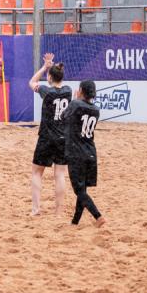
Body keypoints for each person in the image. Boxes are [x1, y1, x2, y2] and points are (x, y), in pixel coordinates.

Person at [28, 52, 71, 216]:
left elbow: (32, 82)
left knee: (36, 172)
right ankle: (58, 212)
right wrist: (51, 68)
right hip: (63, 138)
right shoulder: (68, 90)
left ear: (50, 77)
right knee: (60, 175)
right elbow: (58, 81)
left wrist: (44, 67)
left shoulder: (46, 91)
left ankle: (36, 209)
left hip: (46, 137)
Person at [62, 79, 105, 226]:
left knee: (79, 191)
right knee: (83, 190)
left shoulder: (75, 104)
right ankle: (75, 222)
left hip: (76, 153)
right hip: (90, 152)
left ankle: (98, 216)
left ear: (80, 90)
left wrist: (74, 100)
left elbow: (63, 117)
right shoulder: (96, 109)